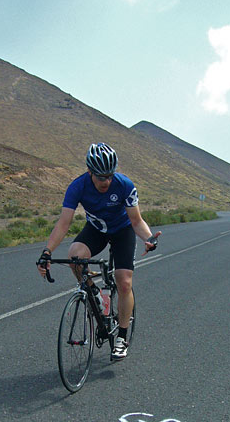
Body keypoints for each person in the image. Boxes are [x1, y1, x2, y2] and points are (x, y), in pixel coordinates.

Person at [37, 142, 160, 359]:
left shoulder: (124, 185)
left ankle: (122, 337)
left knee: (124, 281)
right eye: (101, 177)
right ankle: (93, 291)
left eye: (110, 175)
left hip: (122, 231)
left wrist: (148, 239)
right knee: (74, 256)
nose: (107, 181)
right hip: (96, 230)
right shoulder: (78, 186)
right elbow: (63, 223)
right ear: (90, 172)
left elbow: (136, 220)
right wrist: (47, 251)